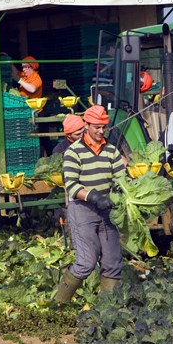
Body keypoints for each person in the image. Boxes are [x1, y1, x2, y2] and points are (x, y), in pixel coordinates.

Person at [53, 105, 126, 304]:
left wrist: (122, 194)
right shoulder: (73, 152)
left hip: (107, 211)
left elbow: (121, 178)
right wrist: (94, 197)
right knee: (86, 263)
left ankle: (106, 307)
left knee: (112, 262)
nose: (101, 131)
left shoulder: (111, 151)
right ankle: (59, 303)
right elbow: (72, 186)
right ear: (86, 125)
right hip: (83, 210)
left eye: (104, 127)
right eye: (97, 127)